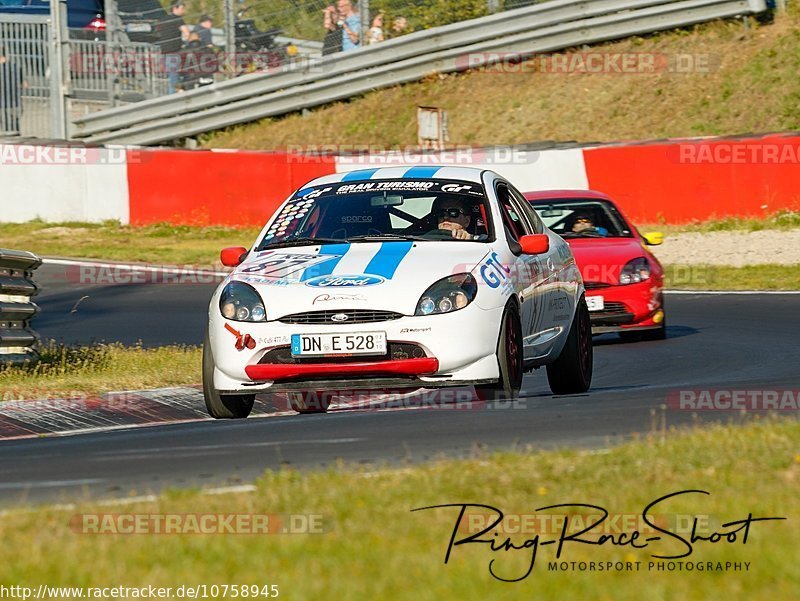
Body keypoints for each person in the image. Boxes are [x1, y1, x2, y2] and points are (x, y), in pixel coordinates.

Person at [161, 0, 191, 94]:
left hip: (165, 51)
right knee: (176, 77)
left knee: (172, 76)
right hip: (175, 51)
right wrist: (185, 44)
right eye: (182, 8)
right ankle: (174, 97)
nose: (183, 11)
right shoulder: (177, 18)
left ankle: (172, 96)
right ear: (175, 8)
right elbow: (187, 32)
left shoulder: (165, 19)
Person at [0, 47, 25, 136]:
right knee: (15, 129)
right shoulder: (15, 67)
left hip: (2, 105)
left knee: (6, 132)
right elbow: (24, 85)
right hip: (16, 103)